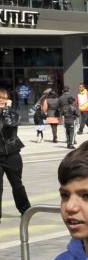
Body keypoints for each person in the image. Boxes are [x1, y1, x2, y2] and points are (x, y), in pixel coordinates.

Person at [0, 88, 31, 217]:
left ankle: (25, 210)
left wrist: (6, 109)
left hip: (12, 155)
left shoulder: (13, 114)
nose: (2, 101)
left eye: (4, 98)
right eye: (0, 98)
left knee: (17, 185)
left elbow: (9, 123)